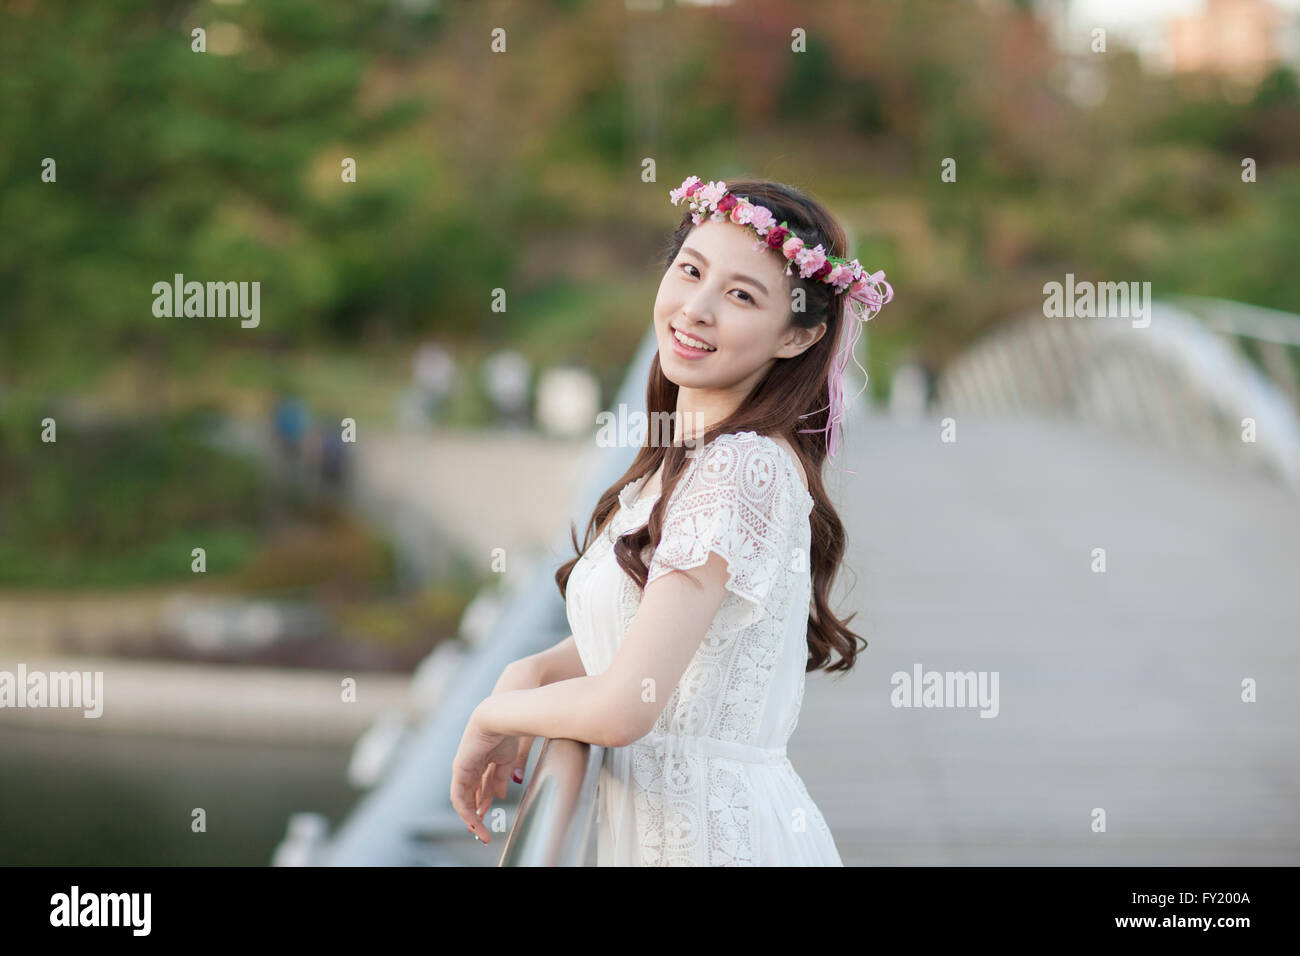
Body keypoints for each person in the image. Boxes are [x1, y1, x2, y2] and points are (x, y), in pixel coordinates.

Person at [451, 175, 894, 865]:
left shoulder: (737, 468)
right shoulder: (680, 463)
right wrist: (529, 671)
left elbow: (625, 705)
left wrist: (489, 714)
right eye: (690, 270)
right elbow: (642, 640)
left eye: (742, 295)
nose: (697, 308)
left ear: (797, 336)